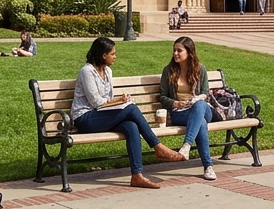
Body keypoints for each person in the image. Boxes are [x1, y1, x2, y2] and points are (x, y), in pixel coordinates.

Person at [71, 37, 185, 189]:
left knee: (131, 126)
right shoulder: (87, 71)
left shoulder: (108, 71)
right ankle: (157, 146)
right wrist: (119, 101)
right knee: (130, 108)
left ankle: (137, 176)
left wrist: (119, 101)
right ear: (103, 55)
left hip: (102, 116)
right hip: (85, 118)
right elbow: (96, 102)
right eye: (112, 54)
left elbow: (107, 100)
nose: (115, 57)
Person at [159, 37, 218, 181]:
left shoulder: (200, 69)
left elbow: (205, 92)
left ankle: (186, 145)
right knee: (201, 124)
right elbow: (162, 96)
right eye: (174, 50)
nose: (175, 53)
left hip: (201, 109)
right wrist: (175, 103)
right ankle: (208, 166)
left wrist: (196, 99)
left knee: (199, 105)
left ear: (189, 52)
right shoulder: (168, 70)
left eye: (179, 50)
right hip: (180, 113)